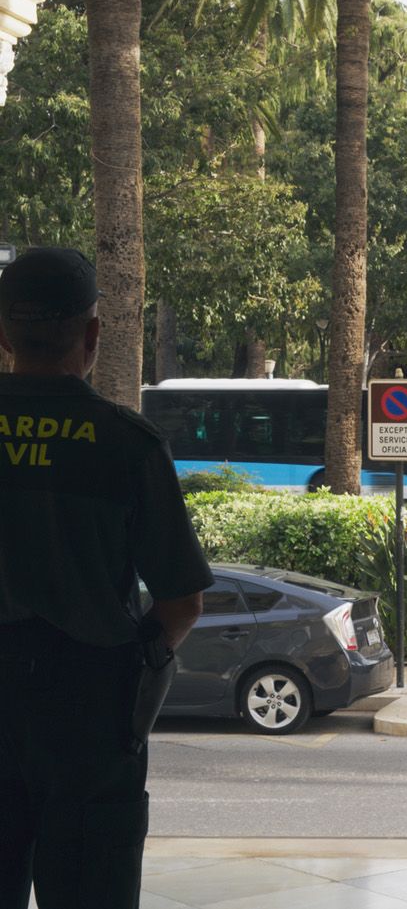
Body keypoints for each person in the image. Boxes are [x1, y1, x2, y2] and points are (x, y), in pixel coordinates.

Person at [0, 247, 211, 909]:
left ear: (1, 333)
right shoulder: (127, 445)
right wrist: (132, 673)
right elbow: (181, 602)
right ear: (92, 336)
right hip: (89, 713)